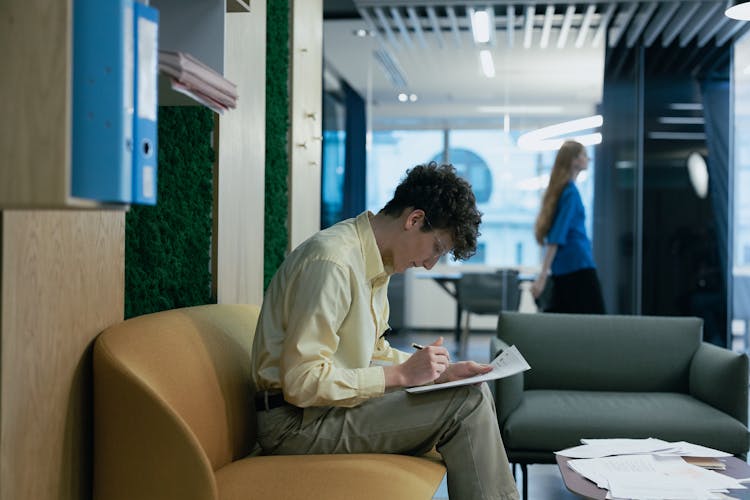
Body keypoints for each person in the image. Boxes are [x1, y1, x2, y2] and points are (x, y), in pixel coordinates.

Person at [251, 162, 519, 500]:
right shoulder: (332, 263)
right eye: (436, 248)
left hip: (324, 412)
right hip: (294, 425)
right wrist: (402, 376)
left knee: (472, 392)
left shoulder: (374, 263)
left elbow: (372, 353)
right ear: (414, 220)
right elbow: (302, 382)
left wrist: (438, 374)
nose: (430, 263)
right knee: (465, 403)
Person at [531, 140, 606, 314]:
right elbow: (557, 236)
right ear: (574, 160)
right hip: (578, 265)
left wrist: (545, 272)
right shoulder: (570, 192)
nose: (589, 159)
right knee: (596, 320)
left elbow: (555, 236)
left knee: (566, 319)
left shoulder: (562, 191)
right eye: (584, 155)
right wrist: (542, 276)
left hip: (564, 268)